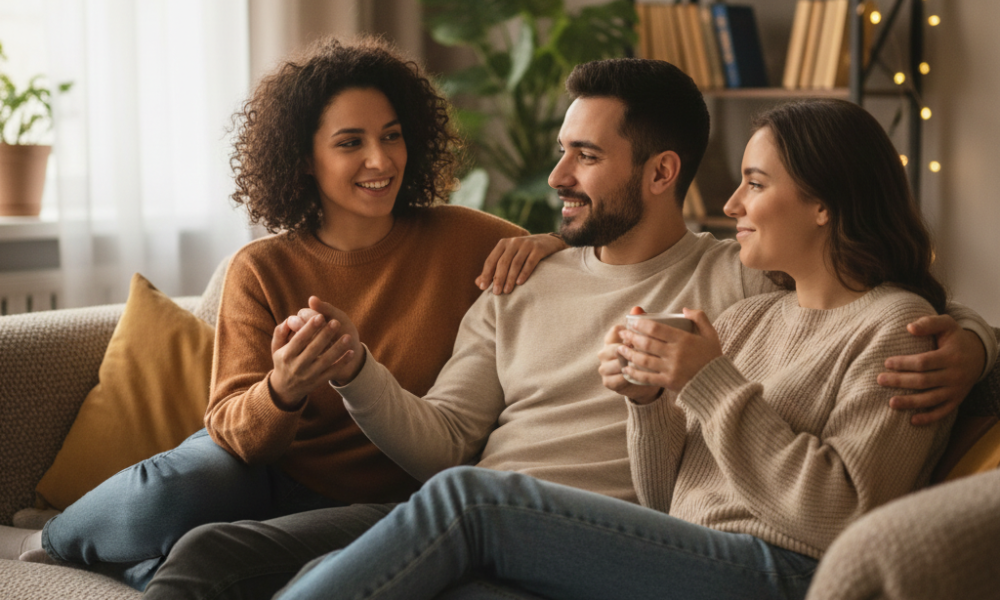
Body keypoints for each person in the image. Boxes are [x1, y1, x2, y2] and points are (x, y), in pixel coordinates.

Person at [142, 59, 996, 600]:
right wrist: (645, 400)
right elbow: (656, 480)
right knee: (218, 551)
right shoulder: (536, 278)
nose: (556, 176)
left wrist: (978, 343)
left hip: (612, 536)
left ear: (659, 173)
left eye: (584, 156)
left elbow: (877, 305)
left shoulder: (739, 283)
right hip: (535, 517)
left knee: (463, 508)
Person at [0, 36, 565, 588]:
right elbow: (232, 431)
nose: (381, 159)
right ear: (304, 159)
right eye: (350, 142)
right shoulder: (260, 268)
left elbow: (594, 258)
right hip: (264, 476)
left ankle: (127, 561)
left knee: (219, 558)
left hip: (389, 503)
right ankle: (44, 541)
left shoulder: (467, 238)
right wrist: (284, 388)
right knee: (170, 487)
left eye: (392, 136)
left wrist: (553, 244)